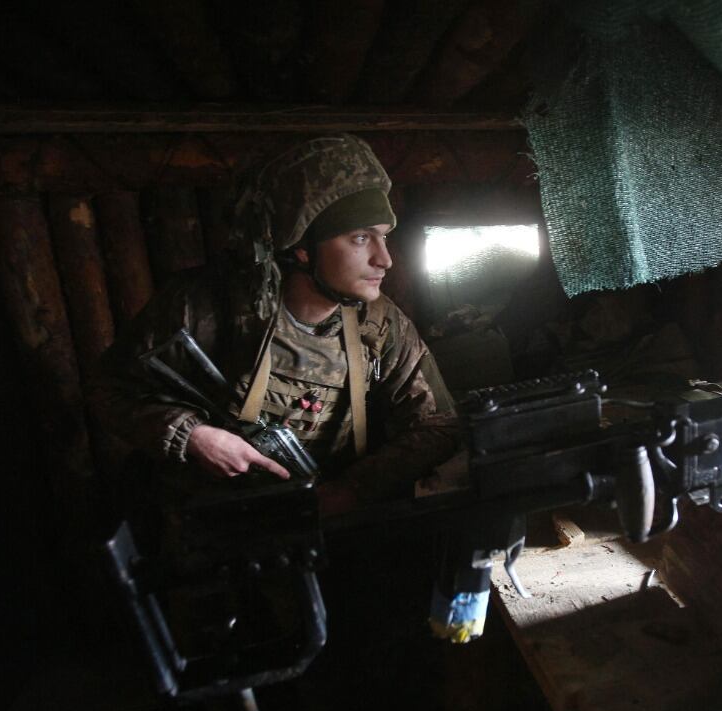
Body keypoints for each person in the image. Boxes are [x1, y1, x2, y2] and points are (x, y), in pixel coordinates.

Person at [91, 134, 457, 516]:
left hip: (321, 516)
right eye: (361, 238)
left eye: (384, 237)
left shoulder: (381, 324)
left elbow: (438, 425)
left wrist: (350, 491)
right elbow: (110, 389)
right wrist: (194, 435)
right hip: (213, 517)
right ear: (301, 247)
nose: (384, 259)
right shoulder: (202, 305)